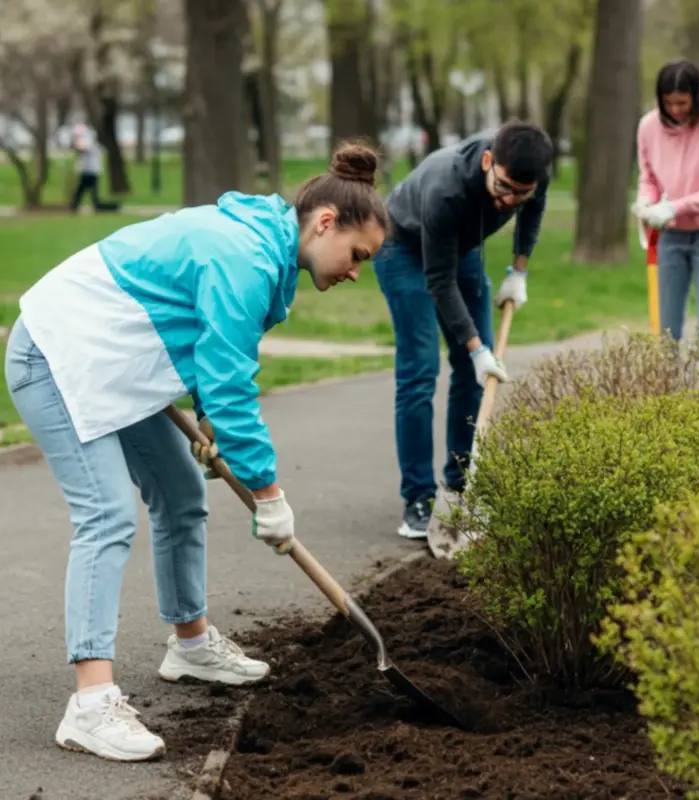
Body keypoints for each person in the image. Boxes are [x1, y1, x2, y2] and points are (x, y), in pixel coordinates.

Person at [4, 143, 388, 762]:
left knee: (182, 496)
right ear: (325, 223)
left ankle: (190, 645)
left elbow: (218, 362)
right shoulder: (246, 257)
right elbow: (233, 385)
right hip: (54, 356)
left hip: (114, 366)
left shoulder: (269, 257)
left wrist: (213, 426)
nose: (354, 271)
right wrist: (268, 494)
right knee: (106, 515)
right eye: (358, 255)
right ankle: (90, 704)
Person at [373, 120, 554, 539]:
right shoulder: (445, 187)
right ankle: (418, 498)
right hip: (404, 247)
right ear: (489, 161)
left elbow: (533, 213)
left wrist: (519, 271)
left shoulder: (530, 176)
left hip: (463, 246)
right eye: (505, 187)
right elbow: (439, 280)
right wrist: (474, 348)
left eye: (521, 193)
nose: (510, 201)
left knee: (479, 375)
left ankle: (459, 484)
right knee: (420, 370)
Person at [632, 59, 699, 344]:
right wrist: (646, 202)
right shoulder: (648, 126)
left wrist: (674, 207)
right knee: (664, 327)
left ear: (696, 95)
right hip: (669, 235)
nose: (676, 110)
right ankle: (666, 386)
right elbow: (650, 177)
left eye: (682, 102)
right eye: (668, 103)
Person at [69, 123, 120, 213]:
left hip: (91, 171)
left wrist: (74, 144)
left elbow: (82, 147)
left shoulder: (88, 140)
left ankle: (104, 206)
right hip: (87, 170)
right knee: (84, 190)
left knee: (84, 190)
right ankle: (77, 205)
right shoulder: (87, 140)